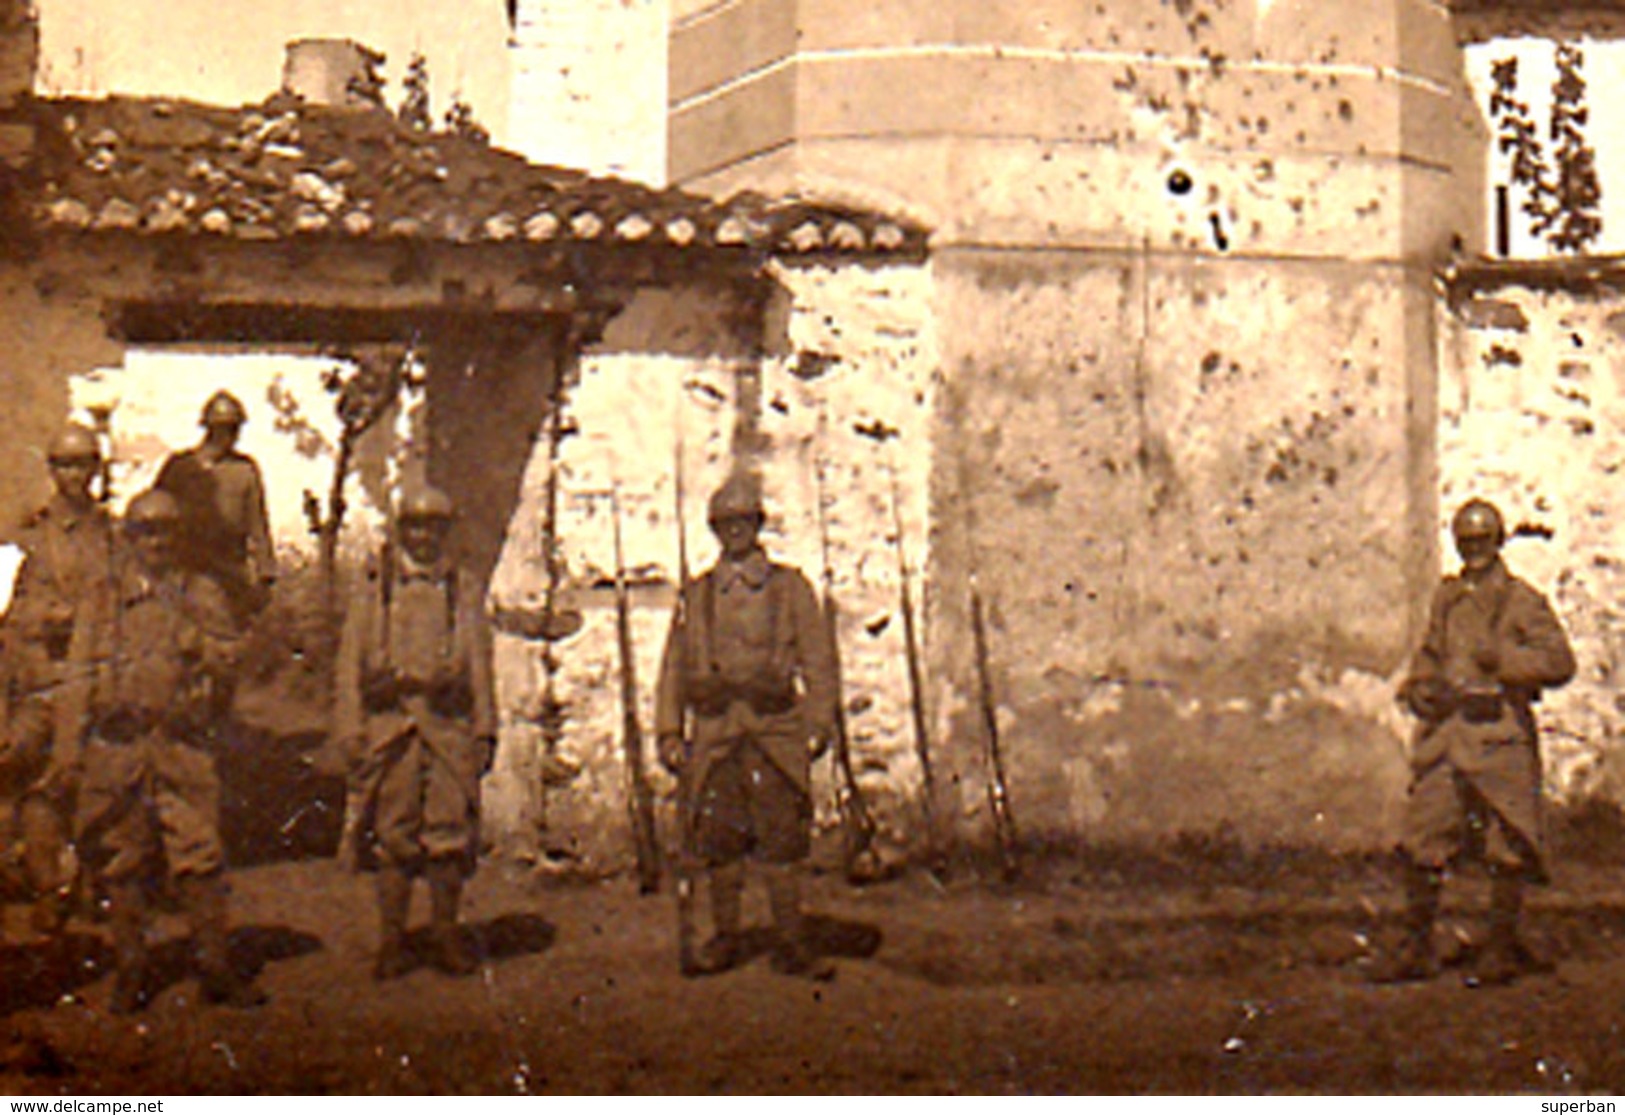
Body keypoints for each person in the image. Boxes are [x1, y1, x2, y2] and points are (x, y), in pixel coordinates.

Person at [55, 489, 265, 1013]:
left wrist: (205, 647)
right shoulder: (102, 598)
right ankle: (131, 968)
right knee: (122, 857)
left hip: (180, 744)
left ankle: (215, 966)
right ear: (130, 538)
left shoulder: (201, 592)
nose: (156, 542)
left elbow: (236, 658)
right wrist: (67, 753)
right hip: (118, 745)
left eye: (166, 531)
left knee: (199, 855)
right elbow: (78, 679)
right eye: (146, 532)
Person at [1372, 498, 1577, 987]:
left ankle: (1499, 950)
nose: (1474, 550)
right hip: (1448, 736)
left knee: (1506, 845)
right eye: (1466, 541)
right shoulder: (1447, 597)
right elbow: (1429, 652)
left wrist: (1502, 659)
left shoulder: (1523, 600)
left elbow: (1559, 662)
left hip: (1499, 736)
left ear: (1500, 541)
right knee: (1425, 838)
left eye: (1483, 540)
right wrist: (1421, 685)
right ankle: (1416, 948)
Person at [654, 470, 839, 980]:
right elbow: (672, 667)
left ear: (759, 525)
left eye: (744, 522)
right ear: (714, 529)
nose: (735, 531)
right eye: (725, 523)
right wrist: (670, 732)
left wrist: (820, 721)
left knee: (782, 838)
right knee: (720, 840)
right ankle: (726, 938)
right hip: (716, 734)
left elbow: (819, 662)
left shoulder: (789, 588)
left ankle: (791, 943)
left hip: (775, 731)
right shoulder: (698, 594)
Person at [333, 485, 497, 981]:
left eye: (434, 528)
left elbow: (480, 664)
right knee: (394, 834)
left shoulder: (460, 588)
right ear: (402, 531)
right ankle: (392, 941)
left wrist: (486, 729)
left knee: (448, 833)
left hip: (446, 728)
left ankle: (445, 933)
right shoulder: (377, 586)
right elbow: (348, 663)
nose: (425, 537)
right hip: (393, 728)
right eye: (416, 527)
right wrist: (350, 727)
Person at [3, 424, 115, 937]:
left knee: (96, 784)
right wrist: (46, 615)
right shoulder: (28, 534)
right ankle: (48, 886)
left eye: (84, 464)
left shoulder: (113, 534)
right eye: (66, 465)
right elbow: (6, 610)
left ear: (96, 469)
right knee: (41, 787)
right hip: (42, 677)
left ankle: (92, 884)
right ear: (52, 469)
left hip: (96, 675)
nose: (75, 475)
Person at [153, 391, 275, 625]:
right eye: (224, 429)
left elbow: (258, 524)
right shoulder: (180, 467)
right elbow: (155, 513)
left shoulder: (244, 470)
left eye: (234, 428)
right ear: (209, 429)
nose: (231, 435)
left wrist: (265, 575)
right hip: (185, 568)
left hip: (230, 569)